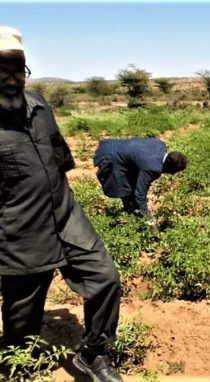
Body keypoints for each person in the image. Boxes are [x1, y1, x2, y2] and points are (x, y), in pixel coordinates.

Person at [0, 27, 123, 382]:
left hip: (66, 216)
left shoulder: (39, 105)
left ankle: (93, 353)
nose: (13, 79)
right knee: (22, 319)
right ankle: (18, 365)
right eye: (2, 70)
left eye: (18, 70)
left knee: (105, 278)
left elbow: (61, 159)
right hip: (20, 232)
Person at [93, 138, 187, 216]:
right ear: (169, 166)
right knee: (126, 192)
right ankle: (131, 217)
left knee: (133, 187)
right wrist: (148, 220)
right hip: (110, 156)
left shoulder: (159, 144)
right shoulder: (153, 167)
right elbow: (139, 195)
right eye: (173, 171)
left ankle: (133, 213)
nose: (172, 174)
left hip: (111, 145)